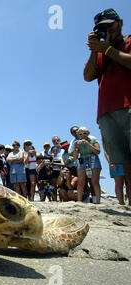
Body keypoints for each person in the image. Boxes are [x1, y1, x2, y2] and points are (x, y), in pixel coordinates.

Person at [84, 8, 131, 199]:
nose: (107, 31)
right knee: (126, 163)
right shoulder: (102, 52)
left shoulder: (128, 42)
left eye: (110, 26)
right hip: (107, 112)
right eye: (102, 29)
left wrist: (108, 50)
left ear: (119, 22)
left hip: (128, 107)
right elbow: (88, 76)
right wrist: (95, 51)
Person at [72, 126, 102, 204]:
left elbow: (98, 151)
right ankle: (79, 201)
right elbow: (75, 157)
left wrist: (88, 144)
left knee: (95, 181)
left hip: (93, 158)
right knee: (81, 182)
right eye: (80, 134)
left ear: (88, 133)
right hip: (82, 159)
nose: (83, 135)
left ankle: (98, 201)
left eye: (84, 133)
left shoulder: (93, 139)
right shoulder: (77, 142)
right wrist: (75, 147)